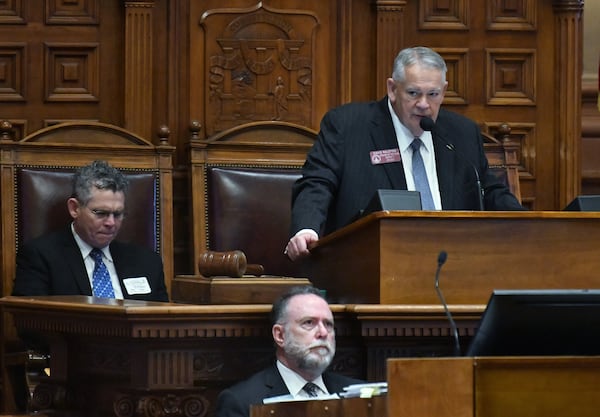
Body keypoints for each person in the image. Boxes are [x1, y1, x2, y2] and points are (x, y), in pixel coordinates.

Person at [285, 46, 524, 261]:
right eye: (413, 93)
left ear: (444, 91)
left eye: (433, 94)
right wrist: (307, 229)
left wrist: (530, 226)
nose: (423, 104)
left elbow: (489, 189)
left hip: (456, 264)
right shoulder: (348, 126)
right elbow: (317, 182)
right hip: (372, 264)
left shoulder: (461, 133)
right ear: (392, 89)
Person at [12, 160, 169, 302]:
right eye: (101, 213)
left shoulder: (147, 262)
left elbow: (162, 323)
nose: (111, 223)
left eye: (118, 214)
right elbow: (30, 324)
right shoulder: (40, 257)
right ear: (75, 208)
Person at [214, 286, 363, 417]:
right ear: (280, 335)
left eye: (328, 324)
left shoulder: (360, 396)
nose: (323, 333)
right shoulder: (242, 402)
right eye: (309, 323)